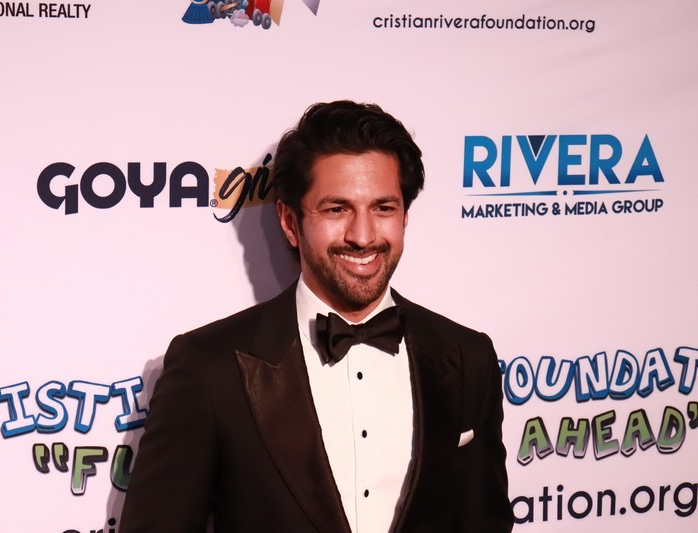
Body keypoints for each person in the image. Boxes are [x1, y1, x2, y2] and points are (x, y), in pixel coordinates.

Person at [120, 101, 513, 532]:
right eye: (336, 209)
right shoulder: (209, 367)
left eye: (383, 208)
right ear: (290, 223)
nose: (362, 236)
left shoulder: (468, 357)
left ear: (404, 217)